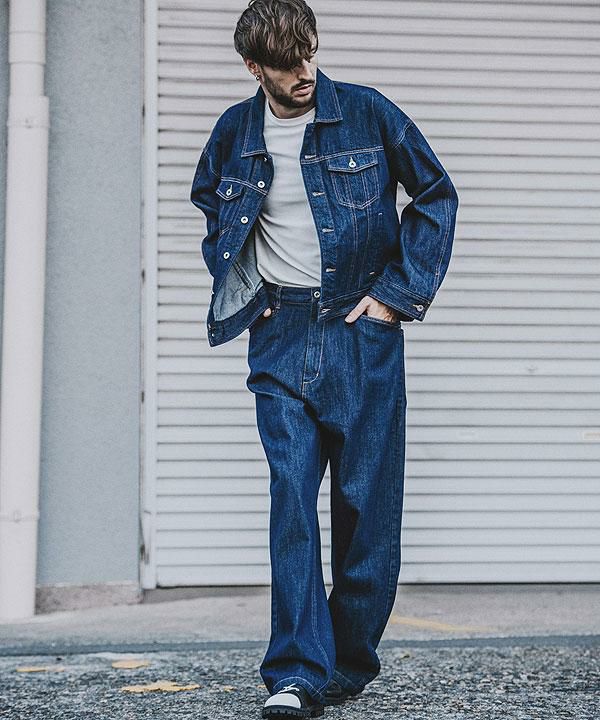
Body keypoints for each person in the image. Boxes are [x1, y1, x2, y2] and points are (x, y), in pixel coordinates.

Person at [190, 1, 459, 717]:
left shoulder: (368, 113)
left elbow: (435, 193)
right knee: (291, 498)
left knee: (367, 509)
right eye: (286, 63)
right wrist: (245, 289)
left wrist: (395, 297)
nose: (303, 71)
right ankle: (296, 673)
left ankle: (346, 661)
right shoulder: (235, 132)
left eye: (308, 53)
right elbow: (212, 206)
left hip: (361, 332)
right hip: (280, 335)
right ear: (255, 67)